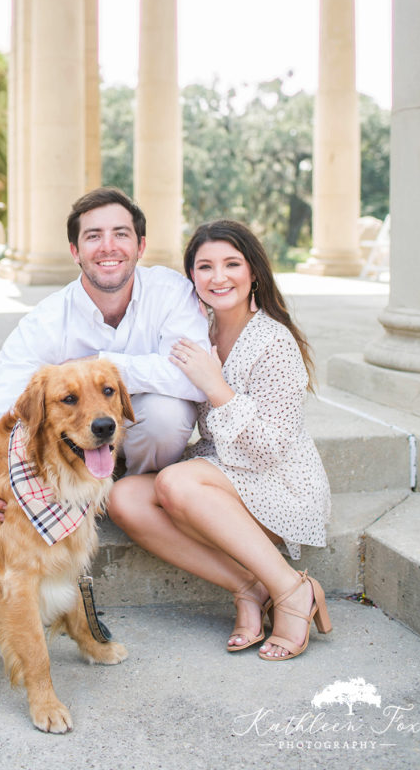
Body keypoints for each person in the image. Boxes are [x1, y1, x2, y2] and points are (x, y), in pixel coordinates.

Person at [108, 219, 332, 661]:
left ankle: (292, 589)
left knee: (175, 482)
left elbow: (270, 450)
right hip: (218, 476)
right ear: (192, 276)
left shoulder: (274, 342)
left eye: (232, 264)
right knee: (125, 498)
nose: (218, 277)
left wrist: (216, 387)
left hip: (280, 483)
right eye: (205, 266)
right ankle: (248, 587)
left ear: (254, 272)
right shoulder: (196, 329)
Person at [0, 187, 211, 528]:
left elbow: (195, 377)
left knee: (167, 414)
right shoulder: (48, 319)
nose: (108, 246)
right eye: (93, 236)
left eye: (121, 234)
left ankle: (134, 490)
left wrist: (101, 366)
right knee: (39, 418)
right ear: (75, 251)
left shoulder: (172, 293)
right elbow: (5, 389)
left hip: (144, 431)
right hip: (75, 434)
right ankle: (91, 484)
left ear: (140, 246)